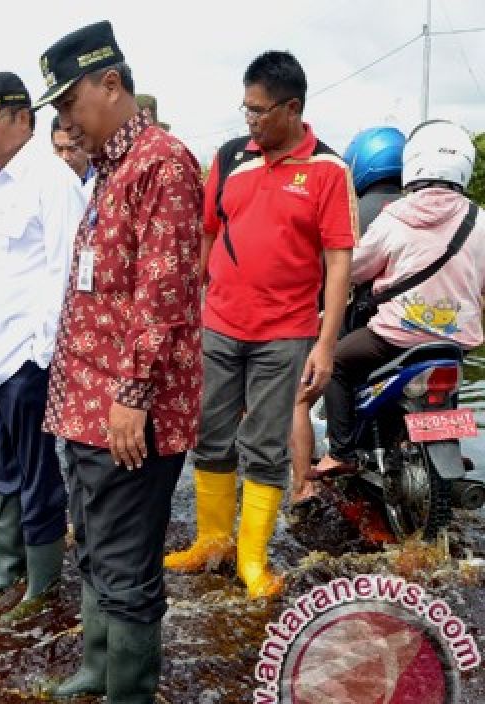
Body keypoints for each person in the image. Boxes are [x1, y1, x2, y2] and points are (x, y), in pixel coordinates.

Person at [36, 20, 204, 704]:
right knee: (98, 545)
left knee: (129, 556)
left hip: (132, 411)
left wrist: (131, 395)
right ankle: (100, 667)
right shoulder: (110, 170)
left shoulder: (162, 165)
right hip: (85, 405)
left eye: (69, 100)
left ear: (111, 84)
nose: (63, 119)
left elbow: (161, 295)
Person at [163, 50, 356, 600]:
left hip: (286, 332)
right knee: (210, 434)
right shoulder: (229, 158)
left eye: (259, 110)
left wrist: (326, 343)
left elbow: (338, 258)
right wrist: (188, 309)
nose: (249, 120)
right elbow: (205, 233)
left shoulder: (328, 169)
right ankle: (213, 541)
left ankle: (252, 560)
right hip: (219, 324)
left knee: (266, 444)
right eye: (245, 109)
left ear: (292, 108)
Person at [0, 72, 86, 625]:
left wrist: (43, 351)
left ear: (23, 119)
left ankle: (42, 581)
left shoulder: (51, 180)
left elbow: (66, 269)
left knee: (37, 472)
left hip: (29, 358)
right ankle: (5, 565)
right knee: (2, 467)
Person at [312, 120, 484, 478]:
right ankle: (448, 440)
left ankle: (340, 452)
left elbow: (354, 268)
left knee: (337, 363)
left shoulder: (398, 216)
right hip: (457, 339)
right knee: (448, 372)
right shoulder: (479, 219)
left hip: (396, 336)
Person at [290, 125, 405, 504]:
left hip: (368, 326)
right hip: (437, 329)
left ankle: (310, 479)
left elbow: (339, 272)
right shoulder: (420, 206)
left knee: (305, 392)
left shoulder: (357, 210)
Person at [51, 114, 94, 186]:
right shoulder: (47, 183)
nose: (65, 157)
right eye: (59, 149)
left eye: (72, 149)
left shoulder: (104, 179)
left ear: (87, 147)